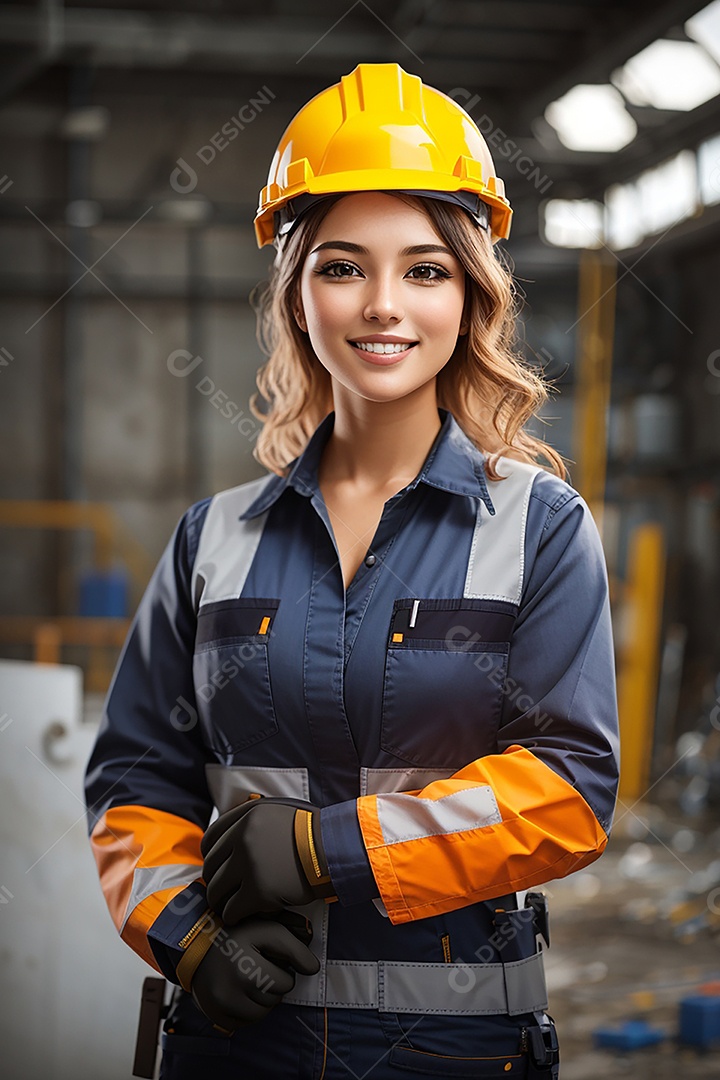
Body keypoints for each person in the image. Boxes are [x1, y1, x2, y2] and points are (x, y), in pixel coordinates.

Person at [84, 62, 620, 1079]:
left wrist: (327, 849)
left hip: (459, 1054)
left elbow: (567, 788)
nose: (383, 306)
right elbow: (135, 783)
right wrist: (186, 935)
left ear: (470, 292)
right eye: (342, 266)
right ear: (296, 292)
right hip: (238, 1047)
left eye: (425, 269)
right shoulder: (215, 538)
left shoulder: (540, 529)